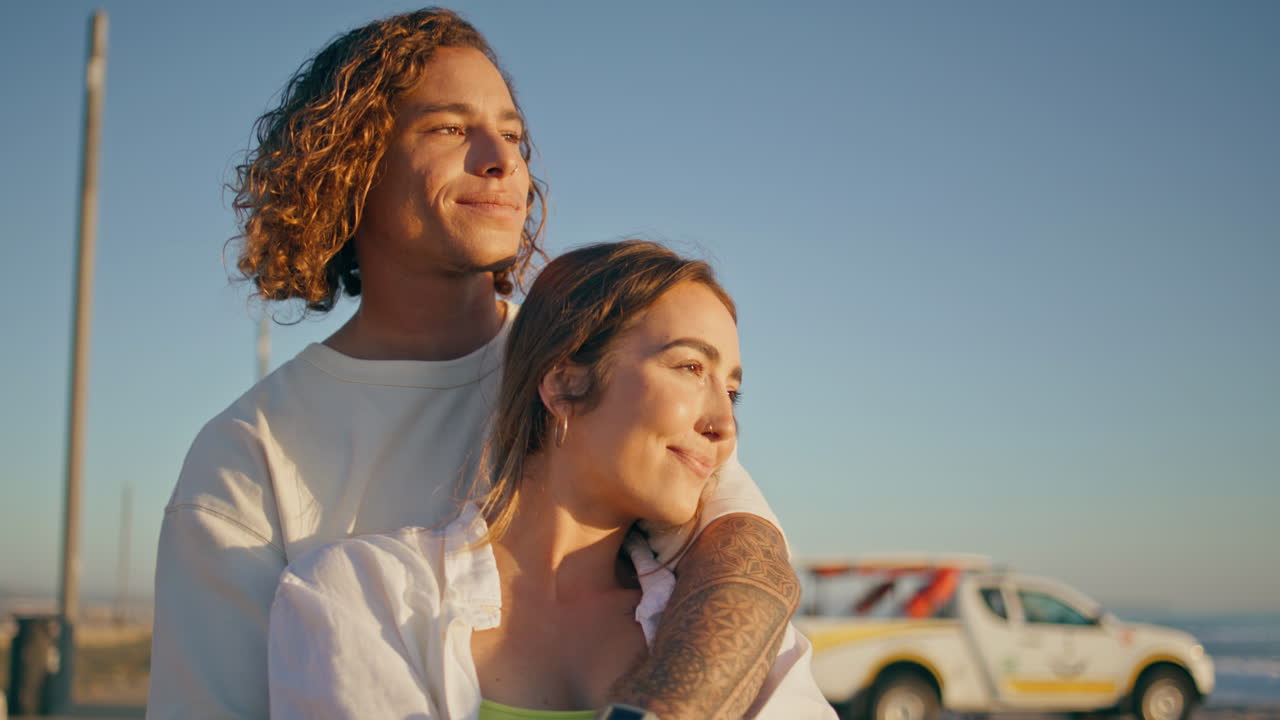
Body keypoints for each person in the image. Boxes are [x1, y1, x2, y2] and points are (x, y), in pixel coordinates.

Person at [149, 9, 802, 720]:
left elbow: (745, 559)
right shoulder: (248, 457)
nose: (503, 159)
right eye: (451, 128)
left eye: (514, 135)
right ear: (350, 162)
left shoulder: (599, 377)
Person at [269, 241, 834, 719]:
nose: (724, 425)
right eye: (690, 368)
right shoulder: (363, 596)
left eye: (732, 392)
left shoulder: (729, 629)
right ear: (563, 384)